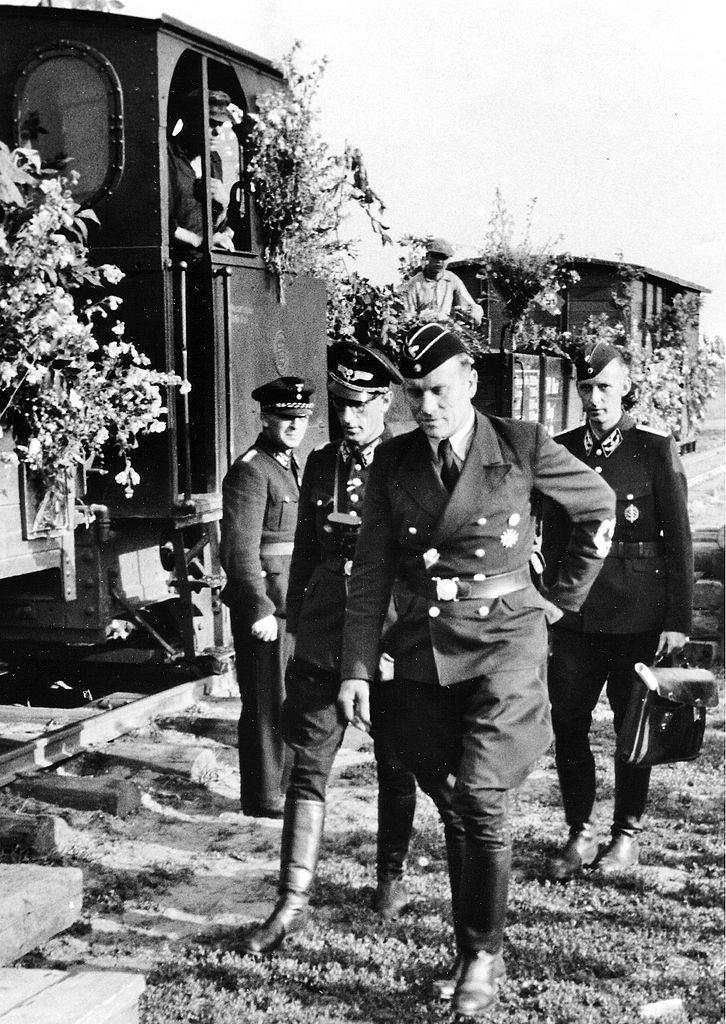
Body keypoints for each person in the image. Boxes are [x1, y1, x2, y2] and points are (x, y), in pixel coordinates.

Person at [337, 323, 616, 1018]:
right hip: (426, 649)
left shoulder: (520, 444)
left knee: (484, 798)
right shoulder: (394, 460)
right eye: (414, 393)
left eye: (438, 390)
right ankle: (471, 950)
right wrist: (356, 667)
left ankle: (481, 957)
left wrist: (560, 599)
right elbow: (371, 568)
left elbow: (597, 508)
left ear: (469, 378)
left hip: (506, 645)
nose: (426, 406)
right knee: (454, 800)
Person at [240, 342, 418, 956]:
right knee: (308, 766)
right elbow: (308, 555)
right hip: (322, 635)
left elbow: (420, 562)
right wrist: (294, 625)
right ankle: (291, 903)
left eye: (360, 405)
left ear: (386, 403)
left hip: (389, 636)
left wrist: (403, 639)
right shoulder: (319, 462)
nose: (347, 417)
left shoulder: (409, 462)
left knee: (396, 762)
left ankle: (390, 878)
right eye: (340, 404)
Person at [542, 340, 693, 880]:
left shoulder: (653, 447)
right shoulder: (561, 449)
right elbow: (553, 539)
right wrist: (550, 606)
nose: (595, 398)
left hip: (638, 618)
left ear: (625, 387)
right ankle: (580, 832)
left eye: (605, 386)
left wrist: (677, 621)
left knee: (634, 727)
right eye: (586, 387)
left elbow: (679, 540)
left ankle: (625, 835)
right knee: (568, 721)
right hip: (577, 618)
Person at [220, 377, 314, 818]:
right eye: (285, 418)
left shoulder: (288, 465)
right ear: (264, 418)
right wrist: (258, 608)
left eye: (301, 418)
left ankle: (286, 787)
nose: (294, 426)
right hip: (267, 609)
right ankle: (263, 797)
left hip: (290, 603)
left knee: (289, 698)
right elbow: (239, 548)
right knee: (265, 703)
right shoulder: (251, 470)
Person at [168, 88, 235, 252]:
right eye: (211, 123)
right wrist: (200, 241)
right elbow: (159, 223)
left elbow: (215, 229)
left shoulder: (214, 160)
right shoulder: (168, 155)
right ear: (189, 120)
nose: (218, 132)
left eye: (220, 124)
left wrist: (224, 204)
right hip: (176, 260)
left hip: (204, 258)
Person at [400, 237, 483, 326]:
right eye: (435, 257)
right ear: (428, 257)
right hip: (422, 328)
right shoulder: (415, 283)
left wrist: (474, 313)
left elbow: (468, 305)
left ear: (448, 260)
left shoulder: (452, 279)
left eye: (443, 258)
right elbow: (408, 314)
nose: (439, 261)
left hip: (446, 328)